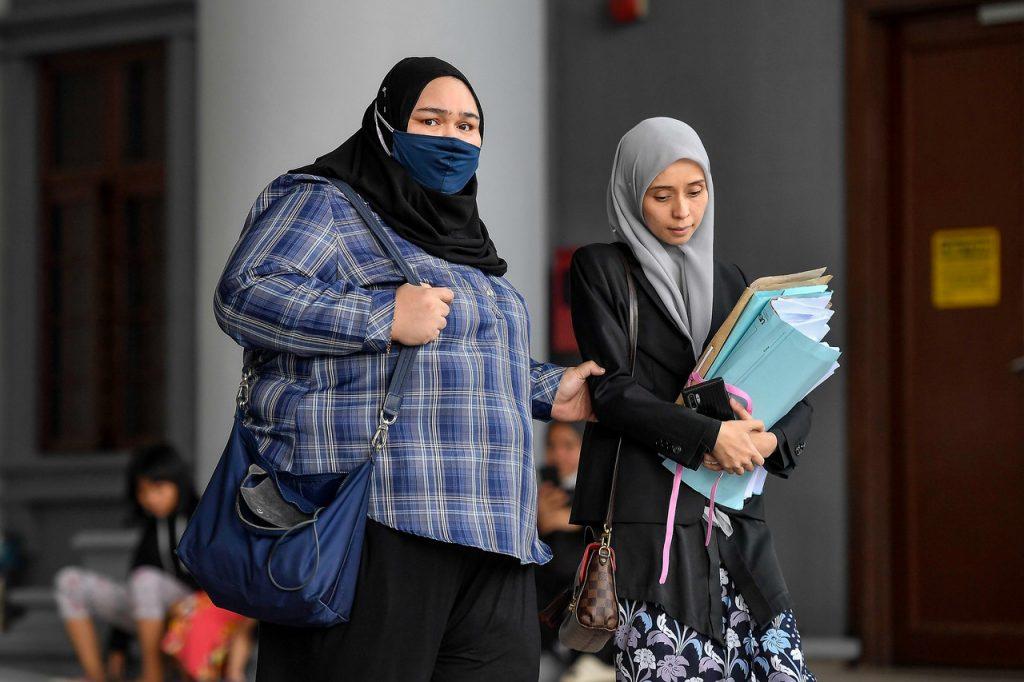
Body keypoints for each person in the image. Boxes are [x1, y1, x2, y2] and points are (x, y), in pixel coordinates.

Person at [213, 57, 602, 682]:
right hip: (381, 520)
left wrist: (550, 389)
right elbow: (244, 293)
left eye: (468, 124)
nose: (452, 137)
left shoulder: (463, 242)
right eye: (431, 118)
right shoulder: (325, 205)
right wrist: (379, 314)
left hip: (494, 526)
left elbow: (456, 358)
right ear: (387, 124)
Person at [569, 118, 816, 681]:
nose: (682, 211)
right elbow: (610, 391)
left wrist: (772, 439)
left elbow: (792, 389)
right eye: (661, 196)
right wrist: (709, 437)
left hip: (735, 519)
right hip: (649, 522)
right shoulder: (602, 269)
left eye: (695, 191)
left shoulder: (733, 282)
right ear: (633, 195)